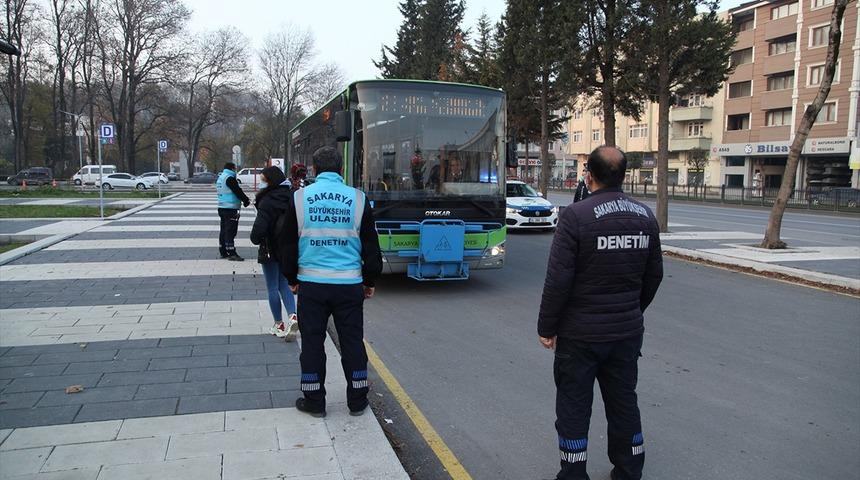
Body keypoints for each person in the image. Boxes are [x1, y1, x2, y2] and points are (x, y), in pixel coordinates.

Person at [537, 146, 663, 480]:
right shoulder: (645, 216)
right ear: (623, 176)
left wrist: (547, 327)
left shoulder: (575, 216)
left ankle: (574, 473)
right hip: (626, 332)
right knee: (623, 402)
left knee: (573, 406)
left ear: (589, 176)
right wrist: (632, 310)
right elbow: (654, 276)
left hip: (580, 336)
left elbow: (558, 280)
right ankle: (629, 469)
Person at [281, 146, 383, 418]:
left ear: (314, 169)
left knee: (312, 343)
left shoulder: (299, 198)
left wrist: (291, 278)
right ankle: (357, 400)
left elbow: (287, 243)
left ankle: (314, 401)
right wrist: (369, 280)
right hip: (349, 285)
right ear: (341, 169)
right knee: (352, 342)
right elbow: (371, 246)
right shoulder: (358, 199)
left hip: (311, 285)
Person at [250, 166, 298, 341]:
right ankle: (293, 316)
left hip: (270, 248)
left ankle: (279, 324)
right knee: (284, 284)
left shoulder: (267, 200)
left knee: (272, 287)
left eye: (263, 180)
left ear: (270, 181)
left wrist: (255, 238)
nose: (262, 184)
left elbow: (258, 231)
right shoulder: (293, 196)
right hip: (288, 248)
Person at [216, 162, 250, 261]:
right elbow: (237, 191)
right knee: (230, 231)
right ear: (232, 168)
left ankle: (223, 251)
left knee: (224, 230)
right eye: (235, 168)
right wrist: (246, 200)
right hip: (231, 208)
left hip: (222, 207)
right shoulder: (230, 178)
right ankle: (231, 252)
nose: (235, 170)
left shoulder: (221, 177)